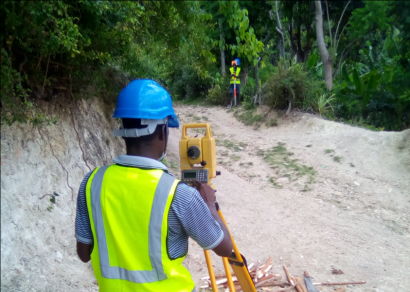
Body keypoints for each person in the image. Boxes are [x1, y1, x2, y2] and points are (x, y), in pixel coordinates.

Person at [75, 79, 233, 292]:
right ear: (162, 132)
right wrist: (210, 205)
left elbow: (84, 254)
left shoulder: (92, 182)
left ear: (122, 128)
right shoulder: (179, 195)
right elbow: (225, 248)